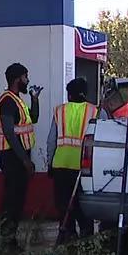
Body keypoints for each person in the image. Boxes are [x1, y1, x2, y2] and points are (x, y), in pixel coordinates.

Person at [47, 78, 98, 239]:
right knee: (84, 207)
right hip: (84, 168)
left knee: (64, 206)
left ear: (69, 95)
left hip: (61, 165)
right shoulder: (95, 111)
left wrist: (50, 164)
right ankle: (86, 239)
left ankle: (67, 236)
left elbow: (51, 141)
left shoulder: (60, 111)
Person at [0, 62, 40, 250]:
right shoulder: (7, 101)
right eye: (25, 77)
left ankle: (10, 239)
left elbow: (33, 118)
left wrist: (35, 99)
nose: (27, 81)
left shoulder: (18, 100)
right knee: (12, 199)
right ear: (17, 79)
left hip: (19, 156)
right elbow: (9, 133)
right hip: (12, 156)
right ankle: (7, 241)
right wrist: (25, 160)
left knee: (18, 198)